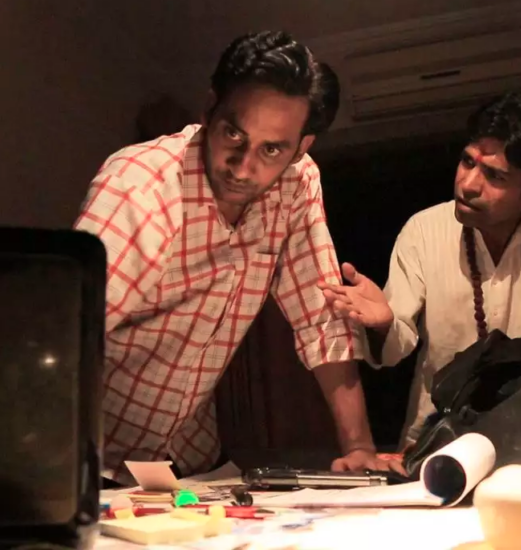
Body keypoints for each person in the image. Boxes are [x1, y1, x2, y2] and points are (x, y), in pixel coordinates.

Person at [75, 30, 402, 484]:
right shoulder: (140, 187)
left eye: (272, 149)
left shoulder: (297, 183)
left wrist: (359, 447)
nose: (244, 167)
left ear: (301, 148)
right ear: (209, 109)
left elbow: (321, 317)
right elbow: (65, 336)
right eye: (234, 133)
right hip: (90, 453)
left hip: (189, 458)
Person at [319, 92, 521, 448]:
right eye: (468, 162)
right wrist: (382, 325)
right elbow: (393, 349)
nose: (468, 184)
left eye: (494, 176)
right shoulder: (424, 230)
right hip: (435, 441)